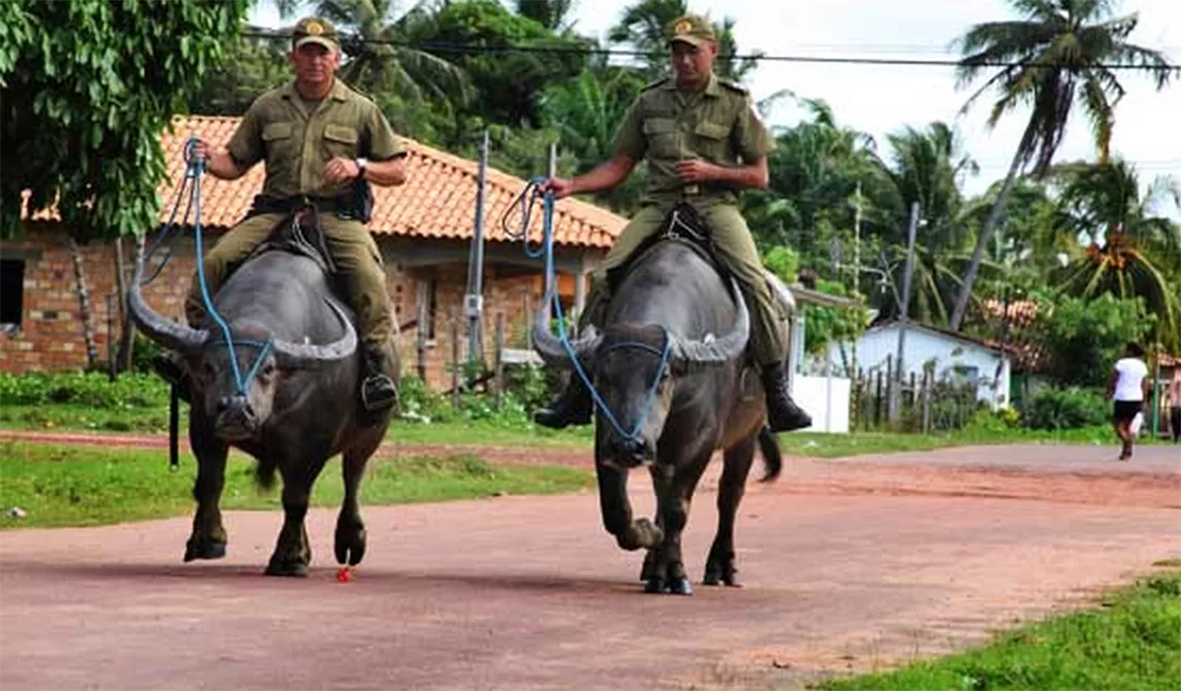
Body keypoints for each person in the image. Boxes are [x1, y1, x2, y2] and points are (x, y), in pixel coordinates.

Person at [532, 14, 811, 433]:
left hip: (717, 207)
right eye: (677, 52)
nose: (683, 60)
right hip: (659, 206)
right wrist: (571, 185)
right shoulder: (650, 101)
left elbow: (759, 176)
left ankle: (776, 391)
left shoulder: (735, 102)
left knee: (755, 283)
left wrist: (711, 172)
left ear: (712, 52)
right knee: (606, 277)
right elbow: (620, 165)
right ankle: (577, 392)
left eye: (692, 52)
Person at [159, 17, 407, 412]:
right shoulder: (268, 106)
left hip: (334, 216)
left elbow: (397, 170)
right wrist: (207, 160)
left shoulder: (361, 110)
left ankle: (376, 368)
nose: (314, 61)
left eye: (322, 53)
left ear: (337, 59)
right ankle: (194, 359)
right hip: (275, 211)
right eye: (306, 51)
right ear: (293, 56)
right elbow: (234, 163)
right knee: (214, 264)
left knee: (368, 279)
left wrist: (359, 166)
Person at [1107, 342, 1150, 460]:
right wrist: (1144, 399)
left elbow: (1113, 379)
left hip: (1122, 397)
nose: (1124, 351)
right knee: (1127, 426)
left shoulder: (1121, 363)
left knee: (1117, 425)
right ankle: (1125, 452)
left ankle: (1127, 443)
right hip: (1136, 398)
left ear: (1130, 351)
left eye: (1126, 350)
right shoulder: (1142, 365)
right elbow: (1145, 384)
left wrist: (1108, 392)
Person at [1167, 365, 1181, 444]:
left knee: (1176, 420)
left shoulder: (1177, 377)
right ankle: (1176, 437)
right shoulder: (1174, 378)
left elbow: (1178, 388)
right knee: (1174, 420)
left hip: (1177, 403)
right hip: (1174, 403)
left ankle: (1176, 437)